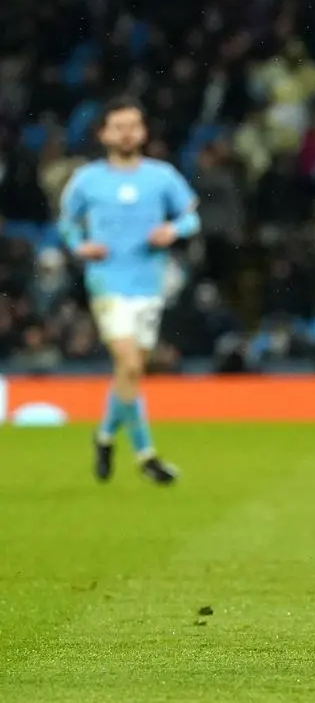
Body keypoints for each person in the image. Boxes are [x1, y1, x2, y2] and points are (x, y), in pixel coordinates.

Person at [58, 96, 201, 485]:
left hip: (148, 284)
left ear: (144, 131)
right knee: (132, 365)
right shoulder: (87, 180)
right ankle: (146, 454)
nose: (127, 133)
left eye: (133, 126)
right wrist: (79, 245)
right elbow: (67, 223)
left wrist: (173, 230)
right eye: (118, 126)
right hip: (107, 281)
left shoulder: (162, 176)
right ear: (104, 133)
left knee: (129, 373)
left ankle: (105, 436)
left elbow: (191, 216)